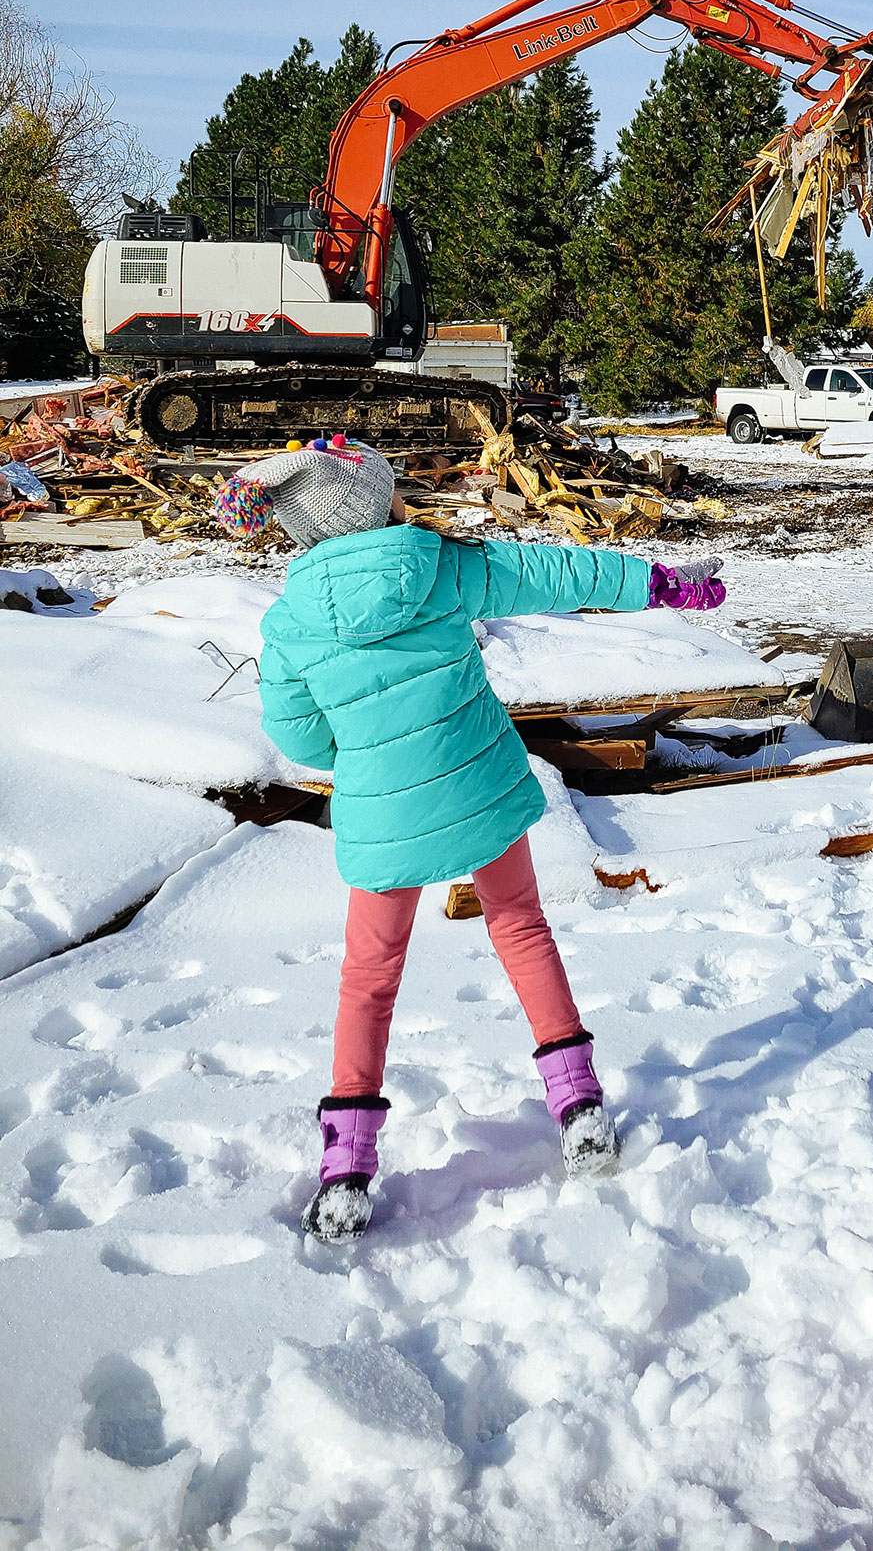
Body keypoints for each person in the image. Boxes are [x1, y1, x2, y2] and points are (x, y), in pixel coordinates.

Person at [213, 435, 725, 1243]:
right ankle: (580, 1105)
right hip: (478, 783)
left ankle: (347, 1169)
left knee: (369, 977)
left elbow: (297, 733)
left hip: (383, 811)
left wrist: (370, 753)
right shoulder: (439, 565)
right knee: (520, 927)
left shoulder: (292, 621)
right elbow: (552, 572)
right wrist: (653, 581)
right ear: (370, 503)